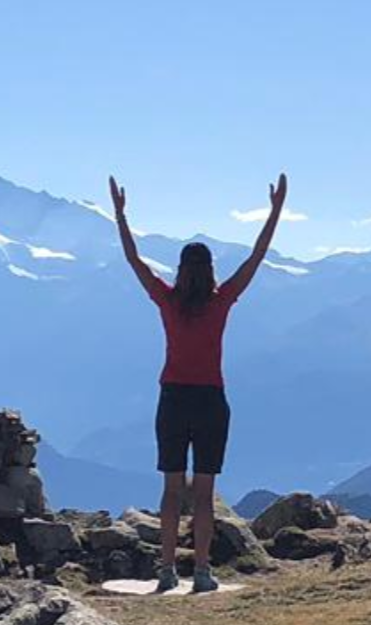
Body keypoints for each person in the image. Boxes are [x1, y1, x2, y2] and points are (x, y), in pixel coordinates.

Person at [109, 172, 288, 593]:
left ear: (181, 271)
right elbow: (257, 257)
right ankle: (203, 572)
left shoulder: (167, 300)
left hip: (172, 399)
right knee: (204, 493)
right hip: (211, 401)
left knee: (172, 490)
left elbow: (134, 260)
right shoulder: (221, 300)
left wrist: (120, 216)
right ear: (209, 271)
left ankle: (167, 570)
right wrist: (276, 209)